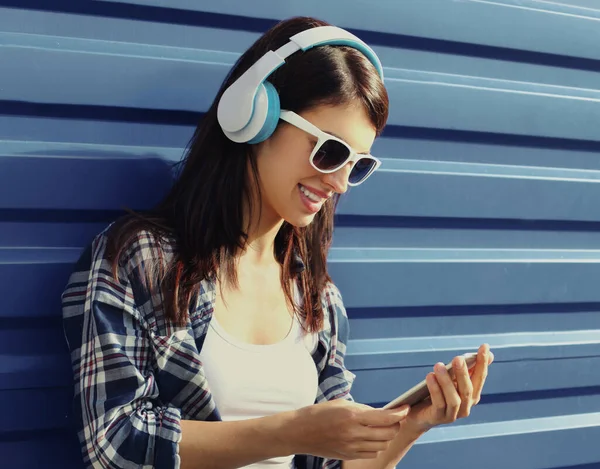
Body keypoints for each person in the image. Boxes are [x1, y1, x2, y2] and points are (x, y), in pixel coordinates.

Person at [61, 16, 493, 469]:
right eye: (330, 151)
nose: (341, 183)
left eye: (357, 165)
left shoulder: (317, 298)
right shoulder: (141, 261)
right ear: (255, 116)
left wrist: (411, 425)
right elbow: (112, 443)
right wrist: (292, 430)